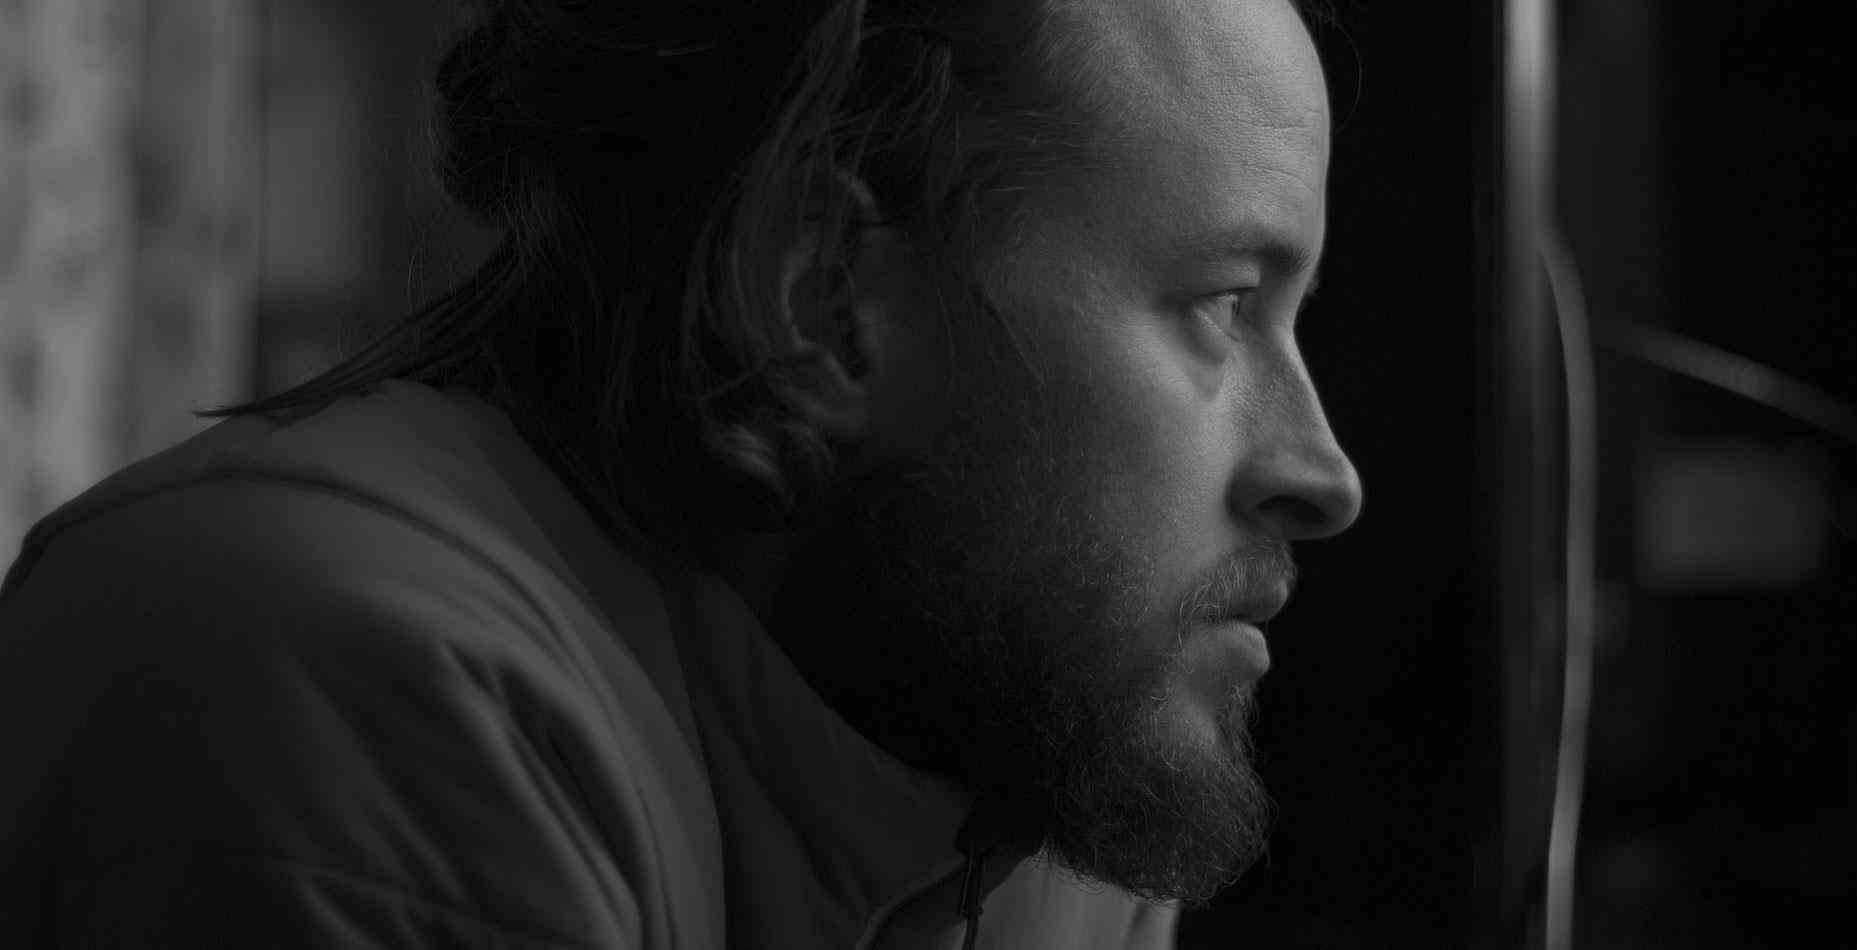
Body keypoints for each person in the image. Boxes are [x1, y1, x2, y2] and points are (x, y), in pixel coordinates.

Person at [0, 0, 1362, 945]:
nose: (1324, 472)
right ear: (824, 299)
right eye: (1222, 304)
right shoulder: (363, 683)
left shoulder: (1048, 757)